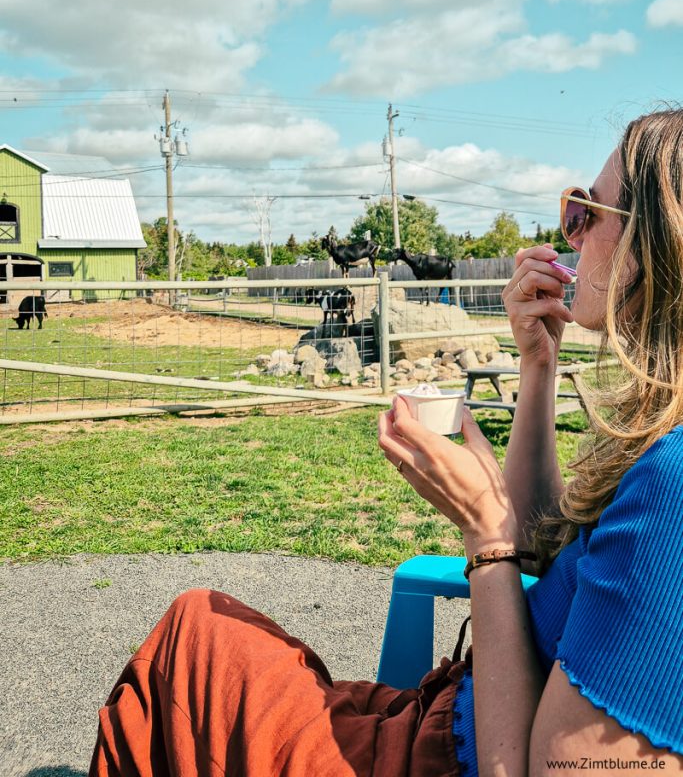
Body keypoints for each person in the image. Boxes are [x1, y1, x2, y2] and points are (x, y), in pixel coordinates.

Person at [89, 108, 683, 776]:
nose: (566, 234)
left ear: (656, 242)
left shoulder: (675, 481)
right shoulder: (660, 444)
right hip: (457, 708)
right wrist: (536, 364)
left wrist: (484, 538)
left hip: (448, 752)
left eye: (583, 212)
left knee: (188, 656)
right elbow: (542, 544)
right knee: (201, 632)